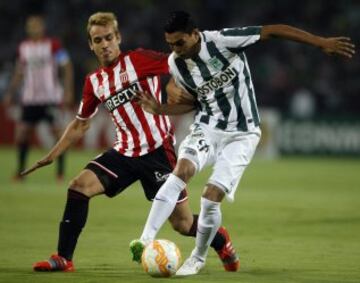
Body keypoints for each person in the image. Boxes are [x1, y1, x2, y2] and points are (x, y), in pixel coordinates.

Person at [130, 10, 355, 276]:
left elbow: (272, 30)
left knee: (210, 198)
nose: (176, 49)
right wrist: (160, 110)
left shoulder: (224, 41)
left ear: (195, 33)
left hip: (243, 133)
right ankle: (144, 240)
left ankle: (198, 258)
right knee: (182, 170)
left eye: (180, 42)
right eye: (170, 44)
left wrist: (320, 42)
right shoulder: (176, 64)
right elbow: (192, 103)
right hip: (208, 127)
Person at [21, 12, 239, 272]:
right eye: (97, 40)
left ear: (118, 38)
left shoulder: (139, 60)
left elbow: (179, 62)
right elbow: (81, 122)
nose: (104, 44)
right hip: (123, 153)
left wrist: (185, 88)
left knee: (181, 224)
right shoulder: (94, 82)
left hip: (159, 152)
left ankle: (219, 238)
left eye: (109, 38)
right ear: (91, 44)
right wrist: (52, 155)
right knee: (78, 186)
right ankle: (63, 258)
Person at [3, 14, 74, 181]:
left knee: (58, 135)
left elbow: (67, 66)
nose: (34, 28)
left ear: (43, 27)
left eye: (37, 25)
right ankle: (20, 172)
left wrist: (68, 90)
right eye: (31, 25)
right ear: (27, 28)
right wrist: (10, 92)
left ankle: (60, 173)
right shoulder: (24, 47)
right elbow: (19, 72)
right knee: (22, 134)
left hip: (51, 98)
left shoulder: (53, 45)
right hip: (30, 99)